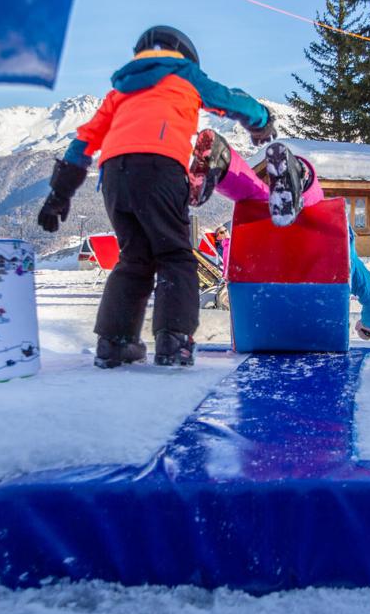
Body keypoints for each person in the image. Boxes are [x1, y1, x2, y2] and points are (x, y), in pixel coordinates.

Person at [37, 26, 275, 368]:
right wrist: (262, 120)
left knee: (134, 258)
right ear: (184, 53)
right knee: (174, 254)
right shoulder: (184, 74)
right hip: (160, 167)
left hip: (115, 177)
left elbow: (84, 141)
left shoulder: (119, 92)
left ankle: (115, 344)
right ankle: (174, 342)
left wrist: (59, 193)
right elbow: (230, 99)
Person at [189, 130, 370, 339]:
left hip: (264, 336)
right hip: (321, 337)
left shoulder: (263, 232)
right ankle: (303, 178)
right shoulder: (340, 248)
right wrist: (367, 326)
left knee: (257, 200)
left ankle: (226, 165)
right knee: (315, 208)